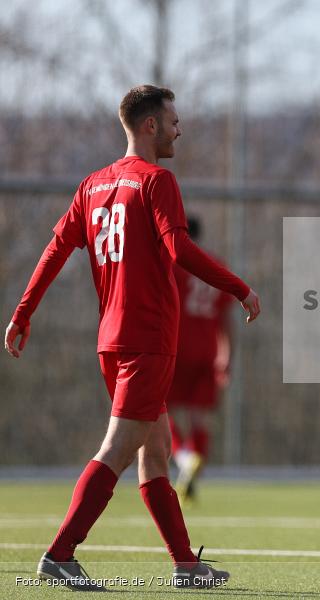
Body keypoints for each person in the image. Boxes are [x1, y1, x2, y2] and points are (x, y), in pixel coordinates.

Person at [4, 85, 261, 591]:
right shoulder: (157, 181)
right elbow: (180, 250)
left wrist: (23, 311)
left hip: (112, 339)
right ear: (150, 126)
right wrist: (240, 288)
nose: (178, 129)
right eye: (173, 120)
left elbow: (57, 248)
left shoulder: (93, 184)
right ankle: (59, 555)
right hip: (148, 339)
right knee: (119, 450)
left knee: (156, 451)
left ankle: (186, 566)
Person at [168, 216, 233, 504]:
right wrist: (226, 355)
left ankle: (183, 459)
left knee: (160, 411)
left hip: (176, 347)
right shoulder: (216, 265)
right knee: (199, 418)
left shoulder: (174, 262)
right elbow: (226, 318)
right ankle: (191, 470)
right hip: (208, 351)